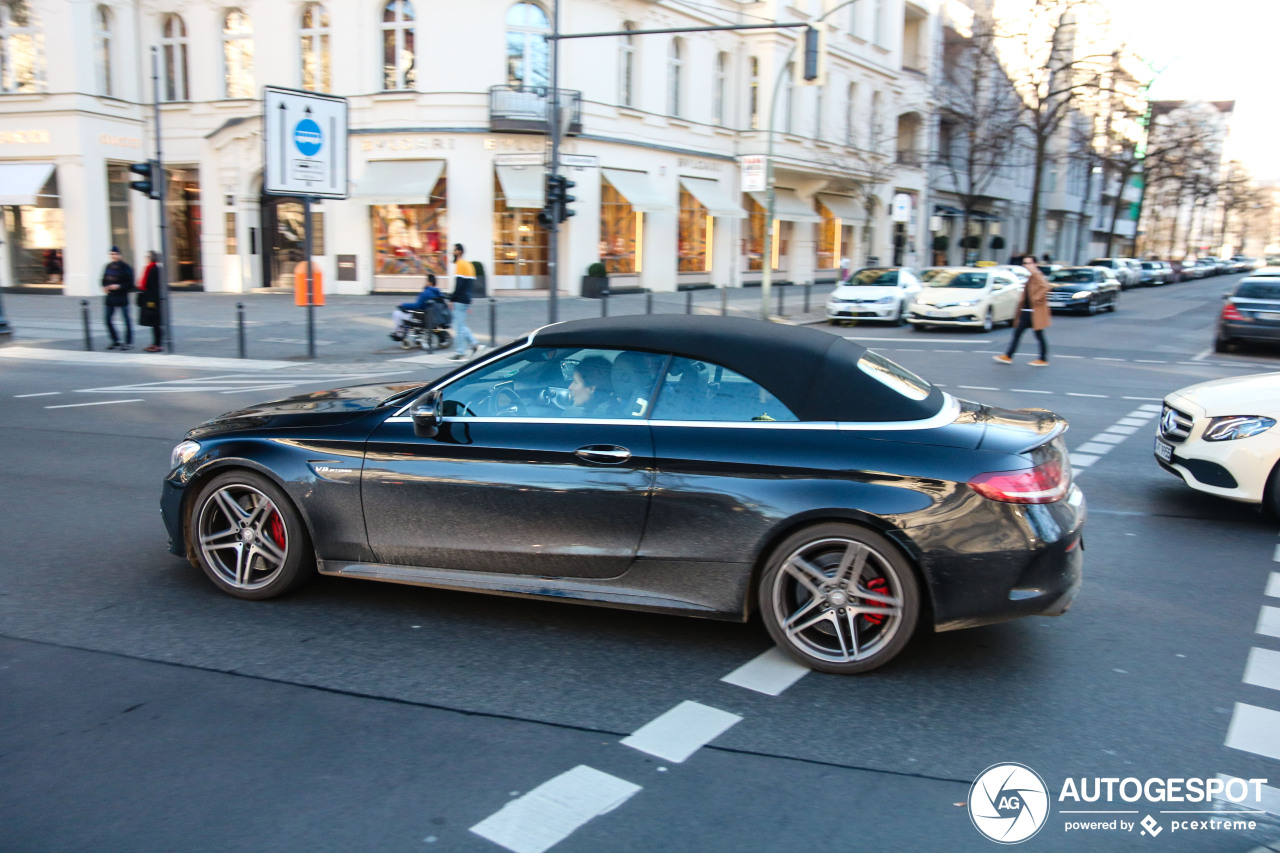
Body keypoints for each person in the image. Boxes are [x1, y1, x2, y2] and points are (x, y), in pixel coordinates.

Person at [994, 254, 1052, 367]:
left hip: (1033, 312)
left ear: (1035, 264)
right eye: (1025, 263)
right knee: (1019, 334)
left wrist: (1036, 298)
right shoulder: (1031, 276)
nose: (1026, 265)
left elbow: (1045, 286)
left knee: (1036, 335)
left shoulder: (1036, 274)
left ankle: (1042, 359)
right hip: (1027, 311)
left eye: (1029, 263)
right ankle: (1009, 356)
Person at [448, 243, 481, 361]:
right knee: (461, 325)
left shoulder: (460, 264)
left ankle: (460, 353)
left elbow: (459, 284)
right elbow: (469, 285)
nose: (453, 252)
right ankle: (475, 345)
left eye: (454, 250)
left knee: (458, 328)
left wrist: (452, 299)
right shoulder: (469, 265)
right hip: (466, 299)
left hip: (460, 300)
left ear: (459, 252)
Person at [101, 246, 134, 351]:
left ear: (119, 255)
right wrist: (105, 287)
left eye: (115, 254)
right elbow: (103, 279)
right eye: (111, 254)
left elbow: (130, 284)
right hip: (110, 297)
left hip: (122, 297)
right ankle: (116, 340)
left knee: (126, 320)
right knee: (107, 319)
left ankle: (128, 342)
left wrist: (119, 286)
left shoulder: (126, 267)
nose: (113, 256)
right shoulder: (108, 266)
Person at [391, 273, 442, 340]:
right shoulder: (438, 293)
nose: (425, 282)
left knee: (397, 313)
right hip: (434, 316)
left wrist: (403, 305)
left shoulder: (426, 293)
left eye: (426, 280)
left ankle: (400, 334)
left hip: (424, 315)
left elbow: (417, 305)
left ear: (430, 282)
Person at [136, 250, 163, 352]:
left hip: (152, 300)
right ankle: (156, 343)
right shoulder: (150, 268)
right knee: (154, 323)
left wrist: (152, 302)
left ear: (151, 258)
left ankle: (158, 344)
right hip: (150, 299)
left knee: (155, 323)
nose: (145, 258)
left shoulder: (153, 269)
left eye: (147, 256)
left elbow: (154, 287)